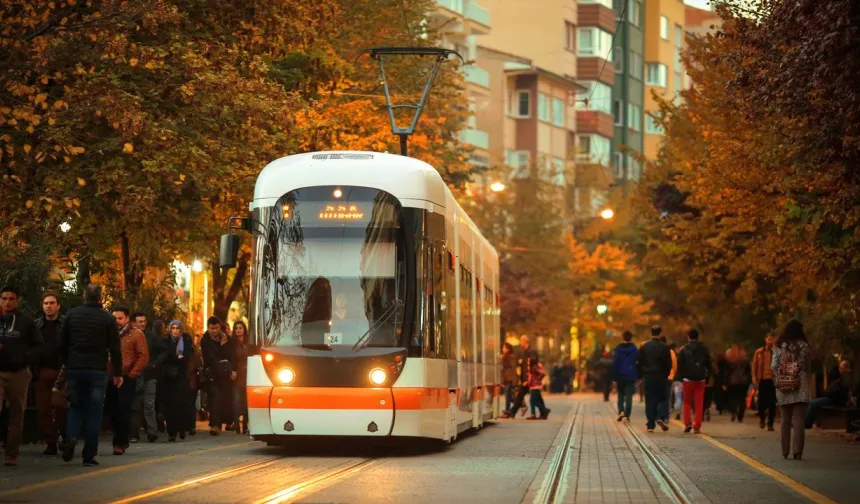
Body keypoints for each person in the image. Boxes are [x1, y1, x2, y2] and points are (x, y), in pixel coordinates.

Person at [59, 284, 123, 466]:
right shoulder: (107, 318)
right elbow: (115, 348)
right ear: (100, 298)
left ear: (84, 297)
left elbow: (62, 342)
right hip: (97, 370)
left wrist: (67, 361)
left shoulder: (72, 315)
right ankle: (89, 454)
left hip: (76, 368)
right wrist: (118, 373)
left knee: (76, 407)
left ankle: (71, 437)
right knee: (94, 411)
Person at [0, 286, 43, 466]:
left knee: (17, 415)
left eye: (11, 298)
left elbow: (38, 346)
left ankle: (12, 454)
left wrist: (23, 357)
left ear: (17, 301)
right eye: (4, 298)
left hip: (19, 372)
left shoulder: (26, 321)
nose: (7, 302)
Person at [108, 306, 149, 455]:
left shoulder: (136, 334)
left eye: (120, 318)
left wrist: (132, 374)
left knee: (123, 409)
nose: (117, 321)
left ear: (127, 319)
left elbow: (143, 356)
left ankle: (120, 442)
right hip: (110, 376)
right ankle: (118, 438)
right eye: (114, 318)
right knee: (112, 409)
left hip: (127, 377)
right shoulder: (108, 333)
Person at [772, 319, 810, 460]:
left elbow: (773, 365)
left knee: (785, 418)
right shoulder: (804, 346)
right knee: (799, 419)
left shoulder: (779, 345)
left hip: (783, 384)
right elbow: (808, 366)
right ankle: (797, 451)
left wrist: (779, 377)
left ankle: (784, 450)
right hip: (800, 384)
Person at [34, 291, 67, 455]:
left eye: (52, 303)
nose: (49, 306)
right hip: (42, 371)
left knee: (61, 408)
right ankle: (51, 442)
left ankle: (66, 438)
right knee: (43, 409)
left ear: (58, 305)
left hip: (62, 371)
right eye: (46, 303)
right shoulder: (37, 325)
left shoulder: (66, 323)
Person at [201, 316, 236, 435]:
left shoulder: (227, 339)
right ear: (208, 328)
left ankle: (227, 422)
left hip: (225, 374)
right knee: (214, 398)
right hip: (212, 374)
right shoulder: (205, 340)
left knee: (225, 399)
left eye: (216, 328)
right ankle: (215, 425)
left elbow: (231, 356)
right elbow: (210, 358)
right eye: (212, 328)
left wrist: (233, 370)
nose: (214, 331)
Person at [502, 336, 549, 419]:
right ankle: (543, 411)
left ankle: (542, 411)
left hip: (530, 378)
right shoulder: (525, 351)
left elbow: (534, 361)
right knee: (524, 395)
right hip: (526, 378)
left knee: (532, 397)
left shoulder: (531, 351)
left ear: (525, 341)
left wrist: (523, 362)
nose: (520, 343)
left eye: (521, 341)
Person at [637, 325, 672, 433]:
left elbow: (639, 362)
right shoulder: (665, 348)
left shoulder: (644, 347)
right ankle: (661, 416)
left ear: (651, 332)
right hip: (661, 376)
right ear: (660, 333)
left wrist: (640, 375)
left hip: (648, 376)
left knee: (650, 399)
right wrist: (666, 375)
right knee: (662, 398)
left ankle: (650, 424)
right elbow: (668, 364)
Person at [676, 329, 712, 434]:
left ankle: (687, 423)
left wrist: (680, 377)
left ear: (688, 337)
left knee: (686, 402)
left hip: (687, 380)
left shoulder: (684, 349)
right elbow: (709, 364)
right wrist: (708, 377)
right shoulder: (704, 349)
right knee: (699, 403)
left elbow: (680, 364)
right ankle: (697, 426)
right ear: (698, 337)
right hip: (700, 379)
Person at [162, 321, 192, 441]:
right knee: (169, 405)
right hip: (169, 378)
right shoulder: (166, 341)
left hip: (181, 377)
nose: (175, 330)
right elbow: (166, 357)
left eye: (177, 328)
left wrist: (177, 359)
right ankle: (171, 432)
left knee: (181, 404)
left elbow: (186, 358)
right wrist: (177, 357)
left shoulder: (185, 341)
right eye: (173, 328)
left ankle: (182, 428)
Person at [805, 360, 857, 429]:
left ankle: (806, 425)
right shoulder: (837, 376)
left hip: (836, 400)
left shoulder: (846, 378)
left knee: (813, 403)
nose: (840, 369)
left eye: (841, 368)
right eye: (839, 368)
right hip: (832, 397)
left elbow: (842, 393)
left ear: (846, 369)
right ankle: (809, 423)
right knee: (813, 403)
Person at [141, 319, 166, 443]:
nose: (142, 324)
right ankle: (132, 433)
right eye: (139, 321)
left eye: (144, 321)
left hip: (149, 375)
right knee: (134, 405)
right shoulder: (128, 334)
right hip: (133, 374)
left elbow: (164, 350)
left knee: (149, 404)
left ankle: (152, 431)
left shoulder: (152, 337)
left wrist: (155, 364)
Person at [752, 333, 777, 431]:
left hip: (772, 380)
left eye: (772, 339)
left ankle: (770, 423)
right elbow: (754, 367)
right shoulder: (759, 352)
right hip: (762, 380)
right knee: (761, 402)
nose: (770, 341)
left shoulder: (776, 352)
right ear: (765, 339)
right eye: (769, 339)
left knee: (772, 403)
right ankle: (762, 419)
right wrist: (754, 379)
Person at [613, 330, 639, 423]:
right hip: (631, 375)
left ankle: (621, 411)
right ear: (631, 338)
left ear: (623, 337)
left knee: (620, 394)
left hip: (620, 375)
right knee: (629, 396)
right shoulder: (634, 348)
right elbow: (638, 361)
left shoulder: (618, 348)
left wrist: (614, 377)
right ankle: (627, 415)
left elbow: (615, 362)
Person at [723, 343, 751, 422]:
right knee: (742, 398)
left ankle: (733, 412)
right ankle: (740, 414)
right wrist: (750, 380)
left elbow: (727, 372)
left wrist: (725, 382)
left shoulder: (730, 358)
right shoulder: (745, 359)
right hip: (743, 381)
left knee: (732, 398)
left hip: (733, 381)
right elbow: (748, 371)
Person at [231, 321, 249, 434]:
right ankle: (237, 424)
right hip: (237, 375)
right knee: (237, 402)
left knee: (247, 402)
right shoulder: (232, 343)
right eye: (236, 328)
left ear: (244, 329)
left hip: (248, 374)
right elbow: (230, 358)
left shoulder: (249, 342)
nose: (238, 330)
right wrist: (232, 371)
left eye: (240, 328)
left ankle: (245, 425)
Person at [657, 336, 677, 425]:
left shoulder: (655, 351)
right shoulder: (671, 351)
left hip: (657, 377)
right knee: (666, 397)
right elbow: (675, 365)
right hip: (669, 377)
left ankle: (658, 416)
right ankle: (665, 417)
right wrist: (672, 374)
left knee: (657, 397)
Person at [501, 343, 517, 413]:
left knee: (508, 395)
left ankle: (507, 410)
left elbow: (510, 365)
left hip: (509, 378)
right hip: (507, 378)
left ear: (508, 349)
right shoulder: (507, 356)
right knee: (508, 395)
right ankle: (519, 404)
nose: (502, 349)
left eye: (504, 348)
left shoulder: (511, 356)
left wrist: (504, 357)